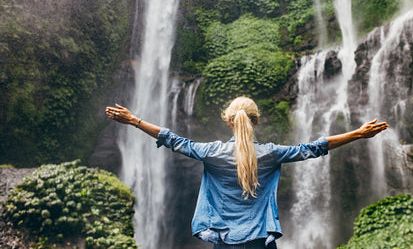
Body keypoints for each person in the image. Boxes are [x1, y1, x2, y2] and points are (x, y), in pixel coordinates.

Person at [106, 96, 388, 249]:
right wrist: (358, 134)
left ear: (229, 122)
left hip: (225, 240)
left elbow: (174, 139)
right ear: (256, 121)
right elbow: (313, 148)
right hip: (259, 242)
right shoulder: (271, 153)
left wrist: (134, 121)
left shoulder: (212, 152)